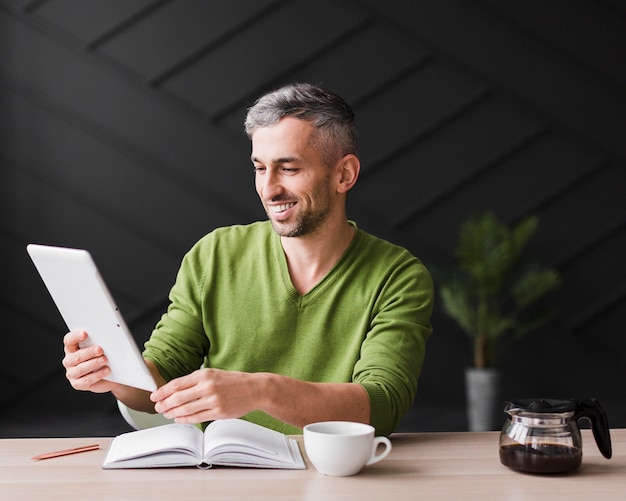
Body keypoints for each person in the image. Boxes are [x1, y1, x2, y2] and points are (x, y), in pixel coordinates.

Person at [62, 83, 434, 436]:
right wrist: (115, 374)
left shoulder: (398, 276)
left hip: (333, 477)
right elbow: (157, 385)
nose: (269, 189)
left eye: (289, 169)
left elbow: (382, 405)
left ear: (344, 174)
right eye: (260, 167)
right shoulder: (215, 254)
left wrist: (262, 391)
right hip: (225, 474)